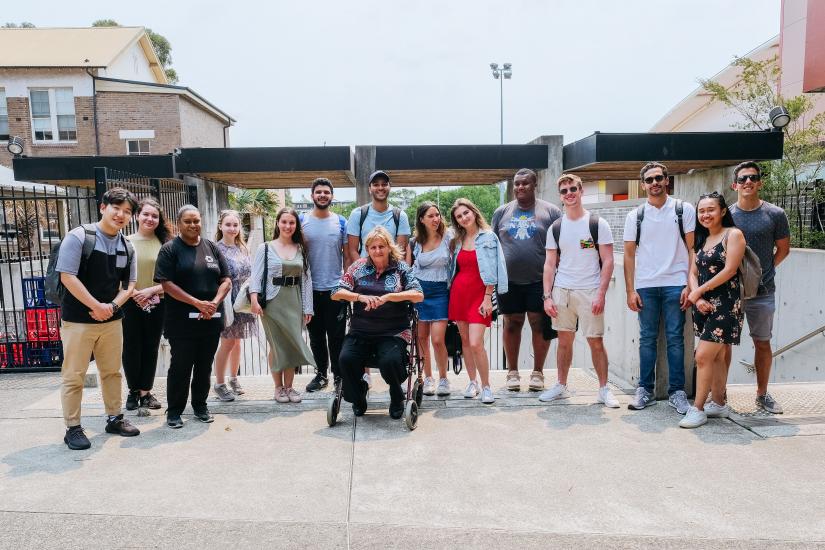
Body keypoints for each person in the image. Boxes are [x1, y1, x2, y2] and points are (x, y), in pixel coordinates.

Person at [57, 187, 140, 450]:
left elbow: (131, 284)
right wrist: (96, 306)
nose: (121, 215)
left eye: (127, 211)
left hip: (111, 321)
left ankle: (115, 417)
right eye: (117, 208)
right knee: (74, 375)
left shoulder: (127, 246)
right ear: (103, 207)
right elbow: (67, 276)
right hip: (78, 321)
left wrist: (111, 307)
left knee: (112, 372)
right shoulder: (79, 237)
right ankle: (73, 427)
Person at [623, 162, 696, 414]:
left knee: (676, 338)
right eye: (649, 179)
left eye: (658, 178)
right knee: (647, 339)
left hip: (676, 284)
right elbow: (629, 255)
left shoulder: (682, 209)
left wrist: (690, 284)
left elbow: (692, 250)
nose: (654, 183)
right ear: (643, 185)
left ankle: (677, 392)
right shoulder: (636, 216)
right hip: (646, 285)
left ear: (667, 181)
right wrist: (630, 290)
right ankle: (645, 390)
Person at [541, 174, 619, 408]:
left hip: (590, 290)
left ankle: (604, 389)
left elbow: (608, 261)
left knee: (595, 340)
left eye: (572, 188)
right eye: (564, 191)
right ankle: (561, 386)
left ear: (581, 190)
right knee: (564, 341)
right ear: (560, 196)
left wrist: (601, 293)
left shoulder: (597, 224)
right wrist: (547, 296)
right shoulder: (556, 227)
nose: (569, 194)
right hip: (562, 291)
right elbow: (549, 264)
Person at [154, 205, 231, 429]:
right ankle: (175, 411)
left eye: (196, 220)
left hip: (211, 319)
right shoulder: (170, 249)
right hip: (181, 322)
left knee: (204, 365)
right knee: (181, 365)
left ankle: (200, 406)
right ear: (179, 223)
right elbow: (166, 284)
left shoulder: (212, 248)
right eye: (187, 221)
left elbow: (225, 279)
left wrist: (214, 303)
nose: (193, 225)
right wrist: (196, 303)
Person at [333, 226, 423, 418]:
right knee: (345, 359)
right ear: (367, 249)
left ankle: (397, 394)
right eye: (373, 247)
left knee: (389, 361)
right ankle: (359, 395)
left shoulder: (401, 268)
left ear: (389, 247)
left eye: (381, 246)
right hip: (361, 330)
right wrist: (359, 297)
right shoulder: (358, 267)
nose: (377, 251)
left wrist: (390, 296)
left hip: (393, 331)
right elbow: (336, 292)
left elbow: (418, 294)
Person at [728, 161, 791, 414]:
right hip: (731, 290)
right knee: (723, 345)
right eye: (742, 179)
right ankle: (719, 393)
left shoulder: (775, 214)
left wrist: (765, 271)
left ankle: (762, 394)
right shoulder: (727, 215)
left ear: (760, 183)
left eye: (753, 178)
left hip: (763, 291)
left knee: (762, 343)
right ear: (735, 185)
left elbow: (783, 249)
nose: (748, 182)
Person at [491, 168, 561, 392]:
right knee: (512, 324)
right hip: (508, 281)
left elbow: (563, 245)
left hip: (540, 281)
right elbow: (491, 247)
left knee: (539, 323)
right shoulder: (501, 212)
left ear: (535, 185)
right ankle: (512, 372)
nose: (520, 187)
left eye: (525, 184)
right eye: (516, 184)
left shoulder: (551, 212)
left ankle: (538, 373)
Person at [680, 192, 746, 429]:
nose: (705, 215)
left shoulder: (733, 235)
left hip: (727, 305)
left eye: (711, 210)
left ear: (723, 211)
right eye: (701, 211)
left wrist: (697, 293)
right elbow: (692, 272)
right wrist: (696, 297)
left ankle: (697, 409)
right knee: (716, 357)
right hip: (703, 306)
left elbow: (729, 271)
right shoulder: (702, 239)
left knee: (703, 356)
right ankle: (718, 403)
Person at [250, 208, 315, 404]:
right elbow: (256, 275)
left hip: (294, 300)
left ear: (296, 226)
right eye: (284, 222)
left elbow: (307, 280)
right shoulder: (266, 248)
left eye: (292, 222)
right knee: (278, 345)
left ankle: (289, 387)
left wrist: (308, 307)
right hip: (272, 302)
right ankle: (278, 388)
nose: (287, 226)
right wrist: (254, 299)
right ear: (277, 223)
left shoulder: (301, 248)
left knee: (292, 343)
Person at [448, 198, 508, 405]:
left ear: (473, 212)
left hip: (479, 296)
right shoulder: (458, 240)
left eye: (466, 213)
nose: (464, 218)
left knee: (476, 343)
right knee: (465, 342)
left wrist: (488, 298)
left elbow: (493, 268)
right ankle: (472, 382)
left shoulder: (488, 237)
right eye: (459, 216)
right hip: (459, 294)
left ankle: (486, 386)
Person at [123, 197, 172, 416]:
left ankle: (145, 392)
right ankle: (133, 391)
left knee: (151, 348)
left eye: (154, 216)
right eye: (146, 214)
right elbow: (118, 275)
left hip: (157, 302)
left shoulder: (166, 244)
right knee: (131, 347)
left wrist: (151, 291)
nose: (150, 219)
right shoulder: (124, 241)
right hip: (129, 302)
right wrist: (134, 294)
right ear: (137, 216)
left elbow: (173, 278)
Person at [301, 178, 348, 393]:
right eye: (318, 192)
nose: (322, 195)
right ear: (312, 196)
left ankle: (339, 375)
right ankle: (321, 374)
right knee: (316, 336)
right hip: (310, 290)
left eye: (326, 192)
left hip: (335, 289)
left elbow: (347, 257)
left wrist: (347, 286)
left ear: (331, 196)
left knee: (337, 336)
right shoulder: (301, 220)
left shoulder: (341, 222)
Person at [407, 201, 452, 396]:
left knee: (437, 339)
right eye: (431, 216)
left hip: (441, 291)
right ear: (421, 219)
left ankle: (443, 378)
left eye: (437, 215)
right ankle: (428, 378)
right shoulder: (414, 242)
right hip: (420, 292)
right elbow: (408, 271)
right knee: (421, 338)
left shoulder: (449, 237)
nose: (436, 219)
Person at [212, 210, 258, 401]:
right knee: (227, 342)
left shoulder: (243, 248)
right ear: (220, 226)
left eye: (235, 225)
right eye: (228, 225)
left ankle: (234, 378)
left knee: (238, 342)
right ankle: (219, 383)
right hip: (227, 299)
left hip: (242, 298)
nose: (232, 228)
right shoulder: (215, 249)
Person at [345, 170, 411, 267]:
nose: (380, 188)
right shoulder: (357, 214)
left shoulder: (400, 216)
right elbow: (352, 250)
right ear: (369, 189)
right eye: (376, 185)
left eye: (384, 184)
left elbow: (400, 252)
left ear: (389, 187)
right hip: (364, 273)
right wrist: (364, 273)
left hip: (390, 272)